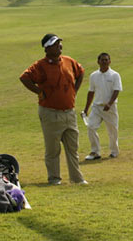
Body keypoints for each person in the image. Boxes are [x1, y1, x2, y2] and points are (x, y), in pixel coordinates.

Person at [19, 34, 87, 185]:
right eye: (56, 44)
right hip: (50, 113)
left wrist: (74, 90)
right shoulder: (40, 66)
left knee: (72, 148)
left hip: (69, 112)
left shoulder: (69, 61)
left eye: (59, 43)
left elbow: (81, 72)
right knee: (53, 149)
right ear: (47, 48)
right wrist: (39, 92)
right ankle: (54, 178)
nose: (60, 46)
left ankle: (77, 178)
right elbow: (24, 78)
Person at [82, 53, 123, 160]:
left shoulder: (115, 75)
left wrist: (109, 104)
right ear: (98, 62)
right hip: (97, 107)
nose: (104, 62)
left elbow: (116, 90)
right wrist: (86, 109)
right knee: (91, 127)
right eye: (102, 60)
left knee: (112, 130)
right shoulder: (93, 75)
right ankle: (95, 152)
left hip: (110, 107)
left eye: (106, 60)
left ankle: (114, 151)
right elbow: (91, 92)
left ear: (110, 61)